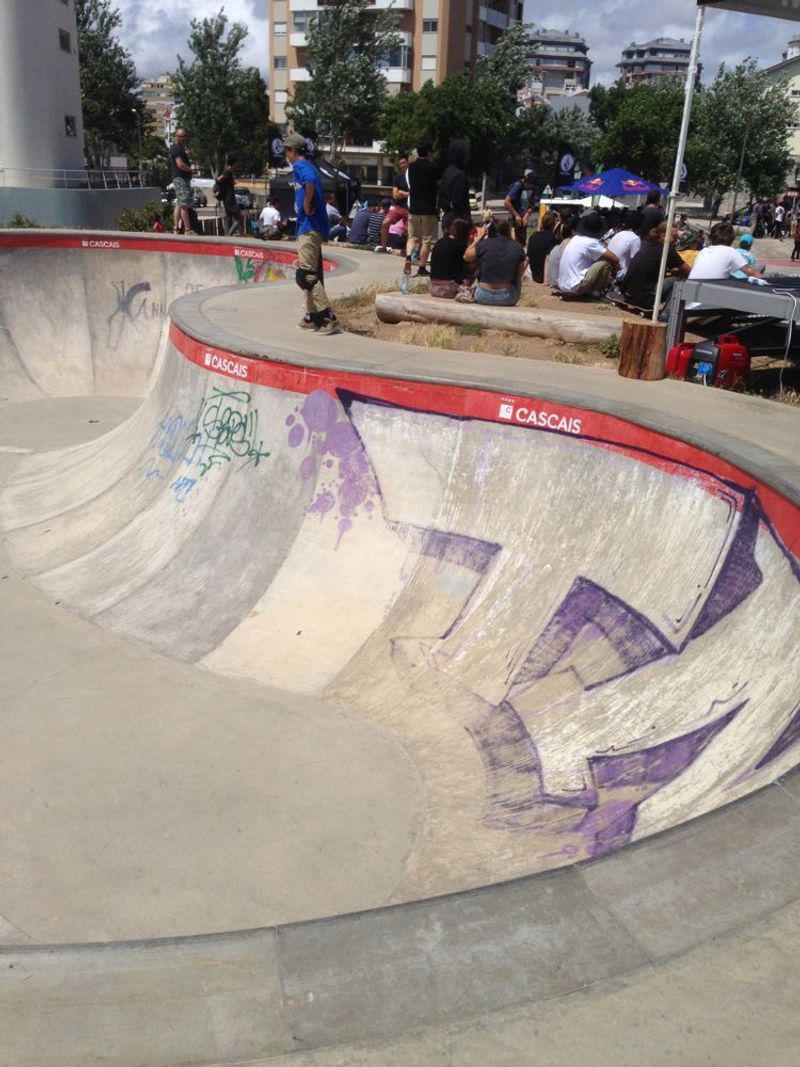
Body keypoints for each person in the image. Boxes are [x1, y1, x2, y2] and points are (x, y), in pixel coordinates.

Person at [282, 132, 340, 336]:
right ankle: (312, 316)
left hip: (309, 226)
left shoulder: (301, 166)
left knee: (305, 275)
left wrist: (306, 203)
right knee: (310, 274)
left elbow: (310, 181)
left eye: (286, 151)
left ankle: (328, 316)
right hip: (310, 226)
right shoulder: (308, 165)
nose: (285, 155)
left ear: (293, 151)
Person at [622, 221, 690, 309]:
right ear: (663, 235)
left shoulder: (645, 242)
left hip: (627, 293)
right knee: (677, 281)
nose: (677, 240)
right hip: (643, 298)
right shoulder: (667, 250)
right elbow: (688, 271)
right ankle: (667, 314)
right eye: (675, 236)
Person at [464, 218, 527, 306]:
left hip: (483, 295)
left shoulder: (485, 244)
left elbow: (466, 257)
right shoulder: (517, 247)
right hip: (507, 297)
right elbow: (519, 275)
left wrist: (479, 238)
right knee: (518, 279)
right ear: (508, 231)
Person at [556, 211, 619, 297]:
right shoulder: (591, 242)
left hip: (563, 284)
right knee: (605, 263)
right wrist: (615, 272)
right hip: (575, 286)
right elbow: (615, 259)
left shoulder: (576, 238)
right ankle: (596, 292)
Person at [404, 142, 440, 279]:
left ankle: (408, 257)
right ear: (429, 152)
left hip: (413, 208)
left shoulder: (412, 168)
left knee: (412, 237)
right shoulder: (433, 168)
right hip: (428, 209)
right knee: (427, 240)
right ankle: (422, 267)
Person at [688, 221, 763, 281]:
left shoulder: (703, 251)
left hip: (691, 294)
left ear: (710, 238)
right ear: (732, 239)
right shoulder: (730, 251)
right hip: (710, 296)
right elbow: (751, 272)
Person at [430, 218, 471, 298]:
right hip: (450, 288)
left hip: (433, 287)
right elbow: (468, 265)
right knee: (476, 267)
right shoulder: (461, 246)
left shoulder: (440, 242)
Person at [437, 140, 470, 233]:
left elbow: (441, 201)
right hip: (458, 223)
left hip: (447, 219)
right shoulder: (460, 175)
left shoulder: (446, 172)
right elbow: (458, 202)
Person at [169, 127, 198, 235]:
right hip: (180, 178)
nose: (182, 138)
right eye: (179, 136)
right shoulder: (176, 148)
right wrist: (191, 169)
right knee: (184, 204)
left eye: (183, 136)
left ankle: (176, 228)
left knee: (179, 204)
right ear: (175, 136)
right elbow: (180, 164)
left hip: (181, 178)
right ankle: (187, 229)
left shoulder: (179, 148)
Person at [526, 211, 559, 284]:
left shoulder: (533, 237)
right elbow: (547, 258)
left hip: (535, 276)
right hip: (546, 277)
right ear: (554, 224)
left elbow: (527, 258)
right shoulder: (553, 239)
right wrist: (545, 281)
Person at [503, 170, 536, 245]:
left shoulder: (532, 187)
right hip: (515, 216)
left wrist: (527, 214)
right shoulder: (518, 186)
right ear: (526, 182)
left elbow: (533, 202)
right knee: (514, 240)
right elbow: (506, 201)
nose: (531, 187)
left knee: (522, 240)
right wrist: (516, 215)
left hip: (523, 217)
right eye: (530, 186)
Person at [606, 219, 642, 284]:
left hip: (608, 271)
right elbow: (636, 261)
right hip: (620, 275)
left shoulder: (619, 233)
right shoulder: (635, 238)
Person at [215, 155, 242, 236]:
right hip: (229, 198)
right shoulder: (228, 171)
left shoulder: (228, 172)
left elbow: (224, 181)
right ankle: (229, 234)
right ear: (233, 164)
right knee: (239, 218)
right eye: (236, 163)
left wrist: (231, 183)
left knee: (229, 216)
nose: (237, 165)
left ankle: (227, 234)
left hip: (227, 198)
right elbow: (218, 180)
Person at [545, 216, 575, 288]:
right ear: (573, 232)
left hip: (553, 282)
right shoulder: (569, 246)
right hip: (561, 284)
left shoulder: (557, 247)